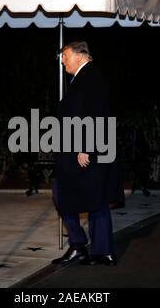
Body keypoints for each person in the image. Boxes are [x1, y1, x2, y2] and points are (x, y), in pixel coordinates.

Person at [51, 41, 124, 266]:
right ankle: (82, 246)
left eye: (65, 55)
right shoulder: (82, 78)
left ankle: (97, 251)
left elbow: (95, 113)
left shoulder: (92, 76)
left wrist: (86, 146)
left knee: (94, 198)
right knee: (74, 195)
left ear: (81, 55)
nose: (62, 59)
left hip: (86, 150)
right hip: (75, 150)